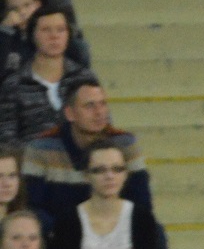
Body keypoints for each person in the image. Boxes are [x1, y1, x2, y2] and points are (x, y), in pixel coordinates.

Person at [48, 144, 167, 249]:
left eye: (117, 169)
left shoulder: (142, 218)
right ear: (86, 175)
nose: (109, 176)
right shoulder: (68, 221)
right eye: (100, 170)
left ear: (125, 174)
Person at [23, 79, 151, 227]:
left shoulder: (125, 144)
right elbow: (33, 208)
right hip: (59, 234)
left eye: (103, 104)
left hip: (114, 231)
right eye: (90, 106)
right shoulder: (41, 148)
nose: (99, 112)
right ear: (70, 113)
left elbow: (142, 203)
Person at [0, 10, 91, 145]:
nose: (54, 36)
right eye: (46, 30)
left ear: (68, 35)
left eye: (60, 30)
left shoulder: (84, 79)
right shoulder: (14, 84)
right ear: (32, 35)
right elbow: (6, 139)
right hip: (31, 156)